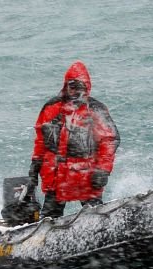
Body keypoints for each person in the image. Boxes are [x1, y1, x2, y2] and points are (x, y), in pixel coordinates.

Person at [27, 61, 120, 218]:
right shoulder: (51, 107)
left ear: (87, 87)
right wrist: (34, 168)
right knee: (49, 219)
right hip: (55, 178)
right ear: (66, 86)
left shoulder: (96, 110)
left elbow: (109, 141)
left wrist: (103, 171)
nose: (76, 91)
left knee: (95, 217)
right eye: (73, 86)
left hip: (86, 178)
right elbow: (41, 142)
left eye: (80, 87)